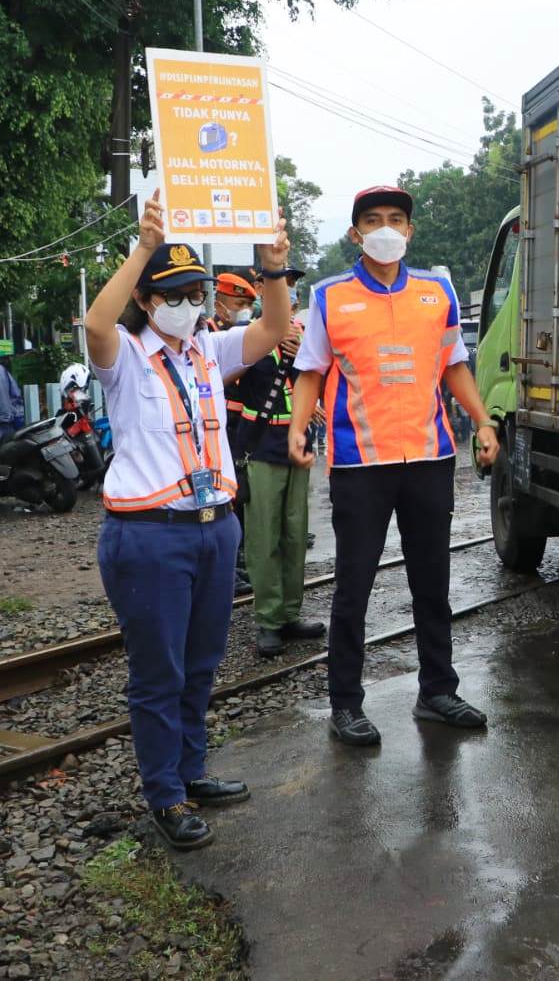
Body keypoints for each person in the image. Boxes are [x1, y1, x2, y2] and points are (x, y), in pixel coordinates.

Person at [82, 188, 292, 850]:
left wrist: (274, 267)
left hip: (213, 526)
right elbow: (94, 325)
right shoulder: (124, 357)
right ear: (147, 303)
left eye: (196, 294)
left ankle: (191, 771)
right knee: (158, 672)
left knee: (201, 663)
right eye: (173, 294)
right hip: (149, 535)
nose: (190, 305)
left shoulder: (208, 352)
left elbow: (271, 329)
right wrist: (143, 247)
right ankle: (164, 794)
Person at [287, 185, 500, 745]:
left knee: (433, 580)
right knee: (353, 587)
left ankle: (437, 691)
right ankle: (346, 704)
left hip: (429, 457)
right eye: (374, 219)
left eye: (397, 218)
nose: (386, 227)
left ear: (409, 230)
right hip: (361, 464)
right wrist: (296, 427)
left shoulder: (438, 291)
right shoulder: (329, 296)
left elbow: (454, 364)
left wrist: (481, 420)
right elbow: (310, 371)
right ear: (356, 233)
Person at [232, 275, 324, 657]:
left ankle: (289, 613)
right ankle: (268, 619)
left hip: (296, 446)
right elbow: (226, 380)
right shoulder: (246, 335)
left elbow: (321, 375)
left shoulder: (304, 335)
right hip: (261, 448)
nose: (289, 297)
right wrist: (267, 343)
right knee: (263, 538)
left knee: (294, 534)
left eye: (292, 292)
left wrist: (303, 352)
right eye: (280, 290)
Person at [214, 270, 259, 595]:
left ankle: (237, 561)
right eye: (237, 303)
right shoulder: (210, 335)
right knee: (224, 495)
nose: (242, 309)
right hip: (220, 426)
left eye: (246, 304)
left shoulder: (242, 335)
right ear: (220, 305)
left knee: (239, 493)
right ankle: (227, 567)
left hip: (241, 425)